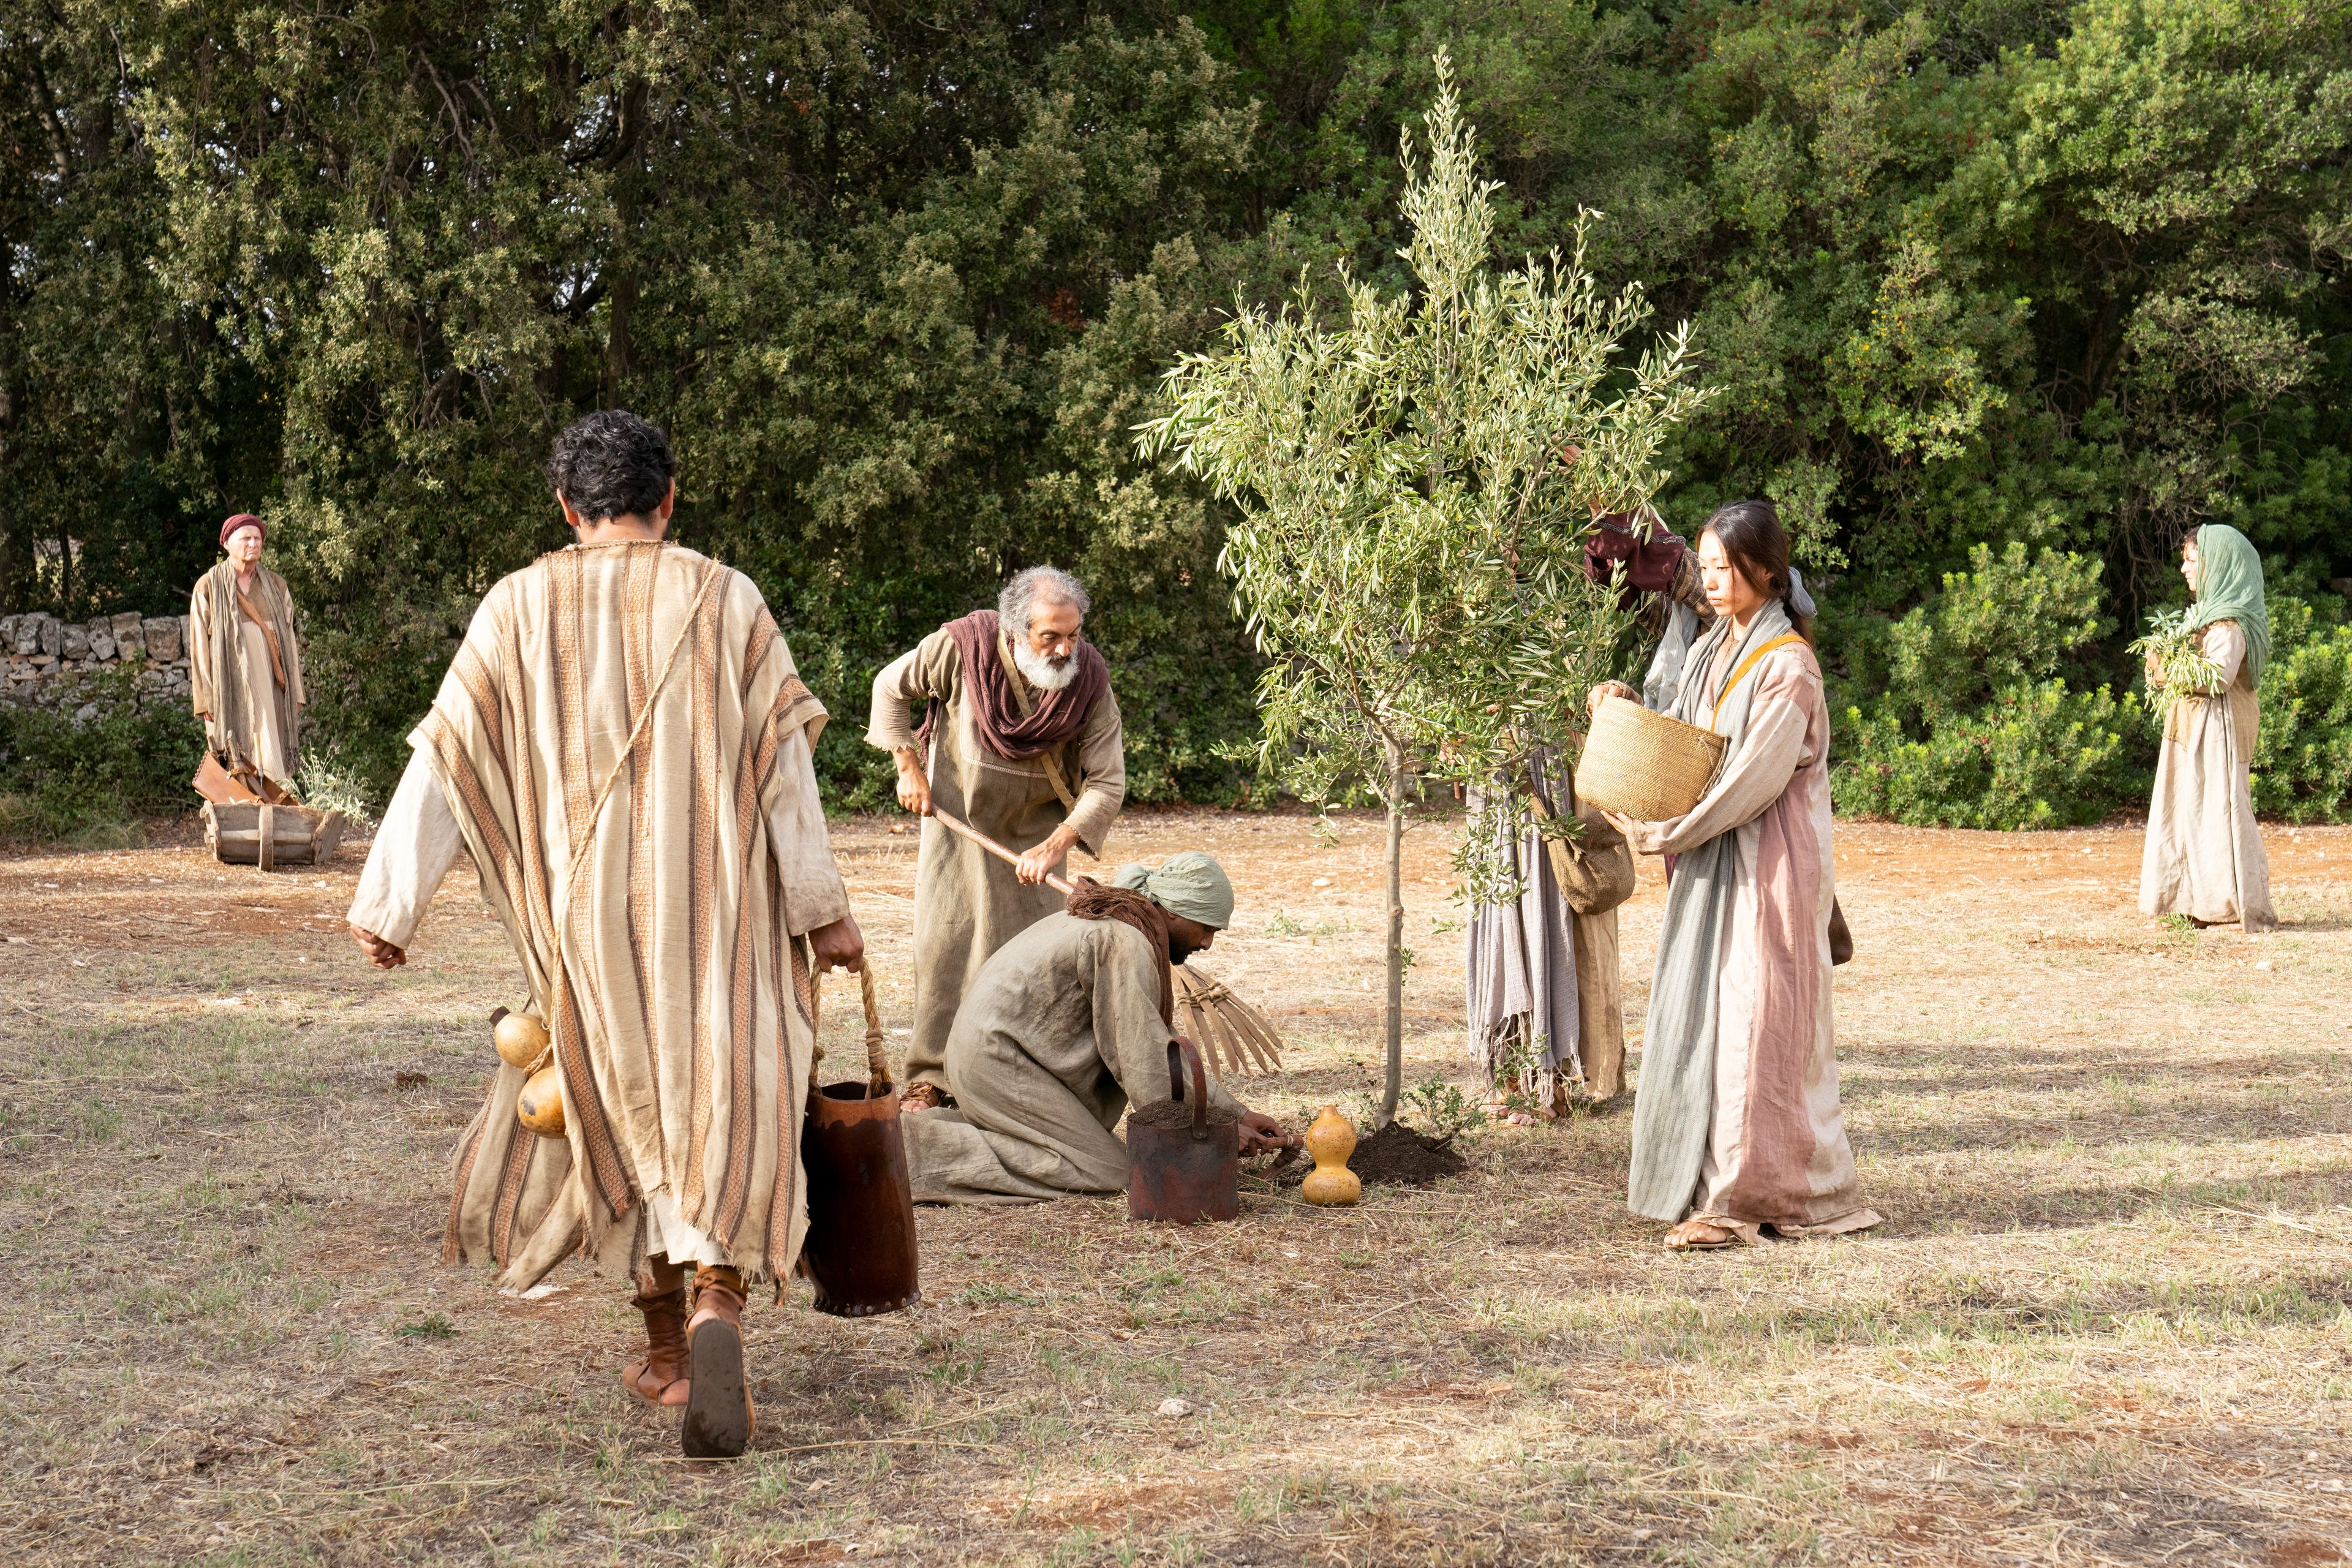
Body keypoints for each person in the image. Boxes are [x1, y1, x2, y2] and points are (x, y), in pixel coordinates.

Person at [345, 411, 865, 1458]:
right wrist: (825, 913)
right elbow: (782, 773)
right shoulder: (728, 599)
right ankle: (720, 1297)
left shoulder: (516, 608)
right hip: (723, 919)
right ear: (669, 501)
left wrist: (388, 905)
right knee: (721, 1102)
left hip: (586, 934)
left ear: (565, 509)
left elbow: (445, 759)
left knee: (621, 1116)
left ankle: (669, 1352)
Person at [1588, 500, 1879, 1250]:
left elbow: (1751, 778)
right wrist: (1623, 700)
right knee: (1713, 1015)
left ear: (1767, 573)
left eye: (1724, 568)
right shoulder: (1718, 644)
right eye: (1708, 567)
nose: (1710, 582)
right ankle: (1709, 1182)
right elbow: (1684, 730)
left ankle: (1748, 1196)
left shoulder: (1790, 667)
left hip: (1772, 861)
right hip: (1721, 856)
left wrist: (1668, 834)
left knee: (1760, 1023)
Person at [867, 565, 1126, 1112]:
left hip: (1037, 839)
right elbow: (889, 688)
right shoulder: (961, 649)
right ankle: (931, 1078)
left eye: (1073, 635)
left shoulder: (1090, 683)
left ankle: (1013, 1083)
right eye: (1049, 636)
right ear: (1014, 631)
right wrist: (907, 766)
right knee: (945, 948)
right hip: (957, 828)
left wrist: (1058, 844)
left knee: (1030, 967)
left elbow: (1107, 781)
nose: (1063, 650)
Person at [902, 852, 1295, 1203]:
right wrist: (1209, 1129)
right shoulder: (1123, 942)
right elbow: (1139, 1058)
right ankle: (913, 1152)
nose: (1208, 943)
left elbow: (1158, 1046)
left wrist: (1235, 1115)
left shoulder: (1119, 924)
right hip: (997, 1062)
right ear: (1174, 911)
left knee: (1094, 1156)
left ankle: (925, 1134)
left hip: (998, 1058)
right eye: (1207, 927)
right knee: (1112, 1171)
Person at [2139, 524, 2276, 933]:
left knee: (2218, 810)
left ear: (2220, 567)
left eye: (2193, 561)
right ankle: (2187, 899)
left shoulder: (2230, 626)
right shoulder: (2203, 620)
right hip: (2193, 727)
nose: (2184, 569)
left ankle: (2224, 903)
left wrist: (2165, 670)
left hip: (2219, 733)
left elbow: (2215, 678)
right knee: (2187, 809)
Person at [189, 513, 306, 796]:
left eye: (257, 538)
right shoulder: (208, 586)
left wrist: (297, 692)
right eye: (246, 538)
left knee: (274, 756)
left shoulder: (277, 586)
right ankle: (240, 817)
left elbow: (289, 641)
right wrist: (206, 696)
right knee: (234, 757)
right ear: (227, 544)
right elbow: (199, 647)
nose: (253, 543)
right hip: (229, 689)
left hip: (271, 687)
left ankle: (278, 818)